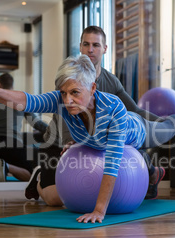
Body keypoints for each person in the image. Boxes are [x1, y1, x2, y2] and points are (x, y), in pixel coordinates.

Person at [0, 55, 175, 223]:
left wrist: (99, 210)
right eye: (64, 93)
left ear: (93, 88)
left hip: (135, 131)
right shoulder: (64, 101)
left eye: (75, 93)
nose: (67, 100)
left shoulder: (114, 109)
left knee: (166, 130)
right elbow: (28, 100)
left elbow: (112, 162)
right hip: (97, 140)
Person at [29, 26, 166, 202]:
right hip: (57, 144)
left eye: (95, 45)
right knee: (55, 200)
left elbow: (135, 111)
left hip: (93, 145)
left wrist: (165, 123)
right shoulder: (69, 77)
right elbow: (64, 118)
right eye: (86, 44)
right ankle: (38, 177)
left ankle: (152, 172)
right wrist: (72, 144)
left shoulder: (111, 81)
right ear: (80, 46)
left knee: (128, 141)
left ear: (105, 49)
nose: (90, 49)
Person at [0, 73, 47, 182]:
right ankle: (7, 166)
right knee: (29, 175)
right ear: (12, 86)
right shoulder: (21, 102)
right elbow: (37, 124)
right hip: (13, 142)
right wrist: (54, 131)